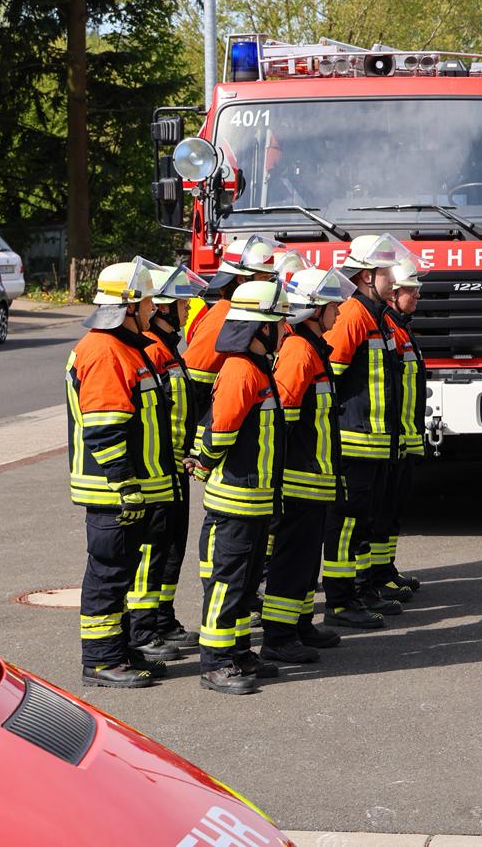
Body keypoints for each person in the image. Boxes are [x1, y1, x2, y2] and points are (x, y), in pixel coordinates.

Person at [65, 259, 174, 688]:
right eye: (147, 302)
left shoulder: (123, 346)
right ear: (128, 307)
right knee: (108, 575)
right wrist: (126, 484)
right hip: (113, 491)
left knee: (120, 574)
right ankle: (100, 660)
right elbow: (105, 428)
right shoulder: (105, 351)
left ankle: (118, 648)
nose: (153, 309)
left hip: (127, 489)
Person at [182, 279, 289, 695]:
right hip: (236, 501)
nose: (283, 329)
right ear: (260, 328)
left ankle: (239, 653)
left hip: (255, 499)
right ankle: (215, 663)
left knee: (243, 585)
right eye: (277, 323)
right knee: (227, 583)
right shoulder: (241, 370)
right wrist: (205, 459)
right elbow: (221, 430)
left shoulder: (257, 368)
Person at [260, 267, 354, 665]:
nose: (339, 313)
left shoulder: (312, 348)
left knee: (305, 560)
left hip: (313, 479)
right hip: (299, 480)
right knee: (291, 560)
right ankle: (278, 637)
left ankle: (298, 625)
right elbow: (283, 419)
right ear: (314, 310)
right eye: (333, 306)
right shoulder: (299, 351)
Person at [321, 234, 409, 627]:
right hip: (355, 443)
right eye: (388, 272)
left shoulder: (377, 316)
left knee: (364, 522)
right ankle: (341, 601)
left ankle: (362, 590)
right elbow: (330, 376)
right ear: (367, 275)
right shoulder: (354, 315)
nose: (394, 280)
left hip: (376, 444)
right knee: (346, 525)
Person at [129, 264, 209, 661]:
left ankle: (162, 619)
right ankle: (141, 629)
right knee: (152, 551)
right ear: (160, 308)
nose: (187, 309)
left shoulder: (167, 347)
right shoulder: (150, 348)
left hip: (174, 466)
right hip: (155, 470)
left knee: (171, 549)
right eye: (181, 303)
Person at [376, 255, 428, 601]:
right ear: (394, 293)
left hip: (403, 438)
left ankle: (385, 570)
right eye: (412, 290)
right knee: (380, 514)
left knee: (392, 513)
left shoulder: (399, 327)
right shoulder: (389, 328)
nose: (418, 295)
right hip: (389, 440)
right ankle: (377, 576)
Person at [183, 233, 280, 412]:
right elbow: (194, 381)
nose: (268, 286)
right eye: (262, 279)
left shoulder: (247, 314)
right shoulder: (223, 316)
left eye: (269, 279)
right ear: (240, 279)